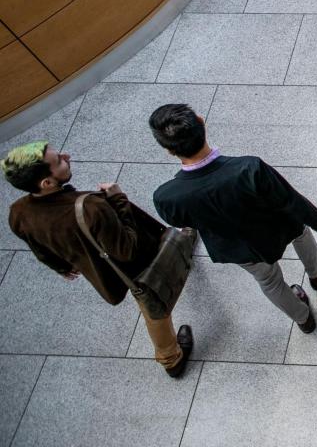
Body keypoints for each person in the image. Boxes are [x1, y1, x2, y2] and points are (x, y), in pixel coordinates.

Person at [4, 141, 193, 378]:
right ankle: (171, 359)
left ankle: (171, 360)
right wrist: (118, 198)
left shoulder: (18, 213)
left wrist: (62, 268)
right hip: (137, 265)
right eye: (59, 160)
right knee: (155, 309)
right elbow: (128, 249)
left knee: (152, 308)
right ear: (47, 183)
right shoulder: (91, 208)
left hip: (101, 271)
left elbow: (40, 249)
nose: (67, 155)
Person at [150, 104, 317, 334]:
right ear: (201, 122)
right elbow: (289, 199)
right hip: (280, 226)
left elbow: (184, 222)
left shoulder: (167, 197)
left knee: (269, 281)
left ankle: (303, 318)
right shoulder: (249, 167)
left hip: (238, 247)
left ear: (169, 150)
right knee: (301, 235)